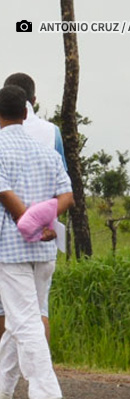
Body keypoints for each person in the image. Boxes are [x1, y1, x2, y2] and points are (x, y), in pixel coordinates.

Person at [0, 85, 73, 399]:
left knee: (23, 318)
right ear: (26, 111)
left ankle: (45, 391)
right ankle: (2, 387)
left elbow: (3, 192)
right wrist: (45, 222)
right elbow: (67, 196)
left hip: (11, 246)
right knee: (23, 317)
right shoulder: (46, 151)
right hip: (45, 249)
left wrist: (27, 221)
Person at [0, 73, 66, 343]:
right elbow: (62, 187)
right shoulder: (52, 132)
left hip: (8, 234)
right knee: (39, 309)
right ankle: (37, 370)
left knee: (7, 309)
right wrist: (46, 223)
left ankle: (23, 378)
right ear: (32, 103)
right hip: (43, 234)